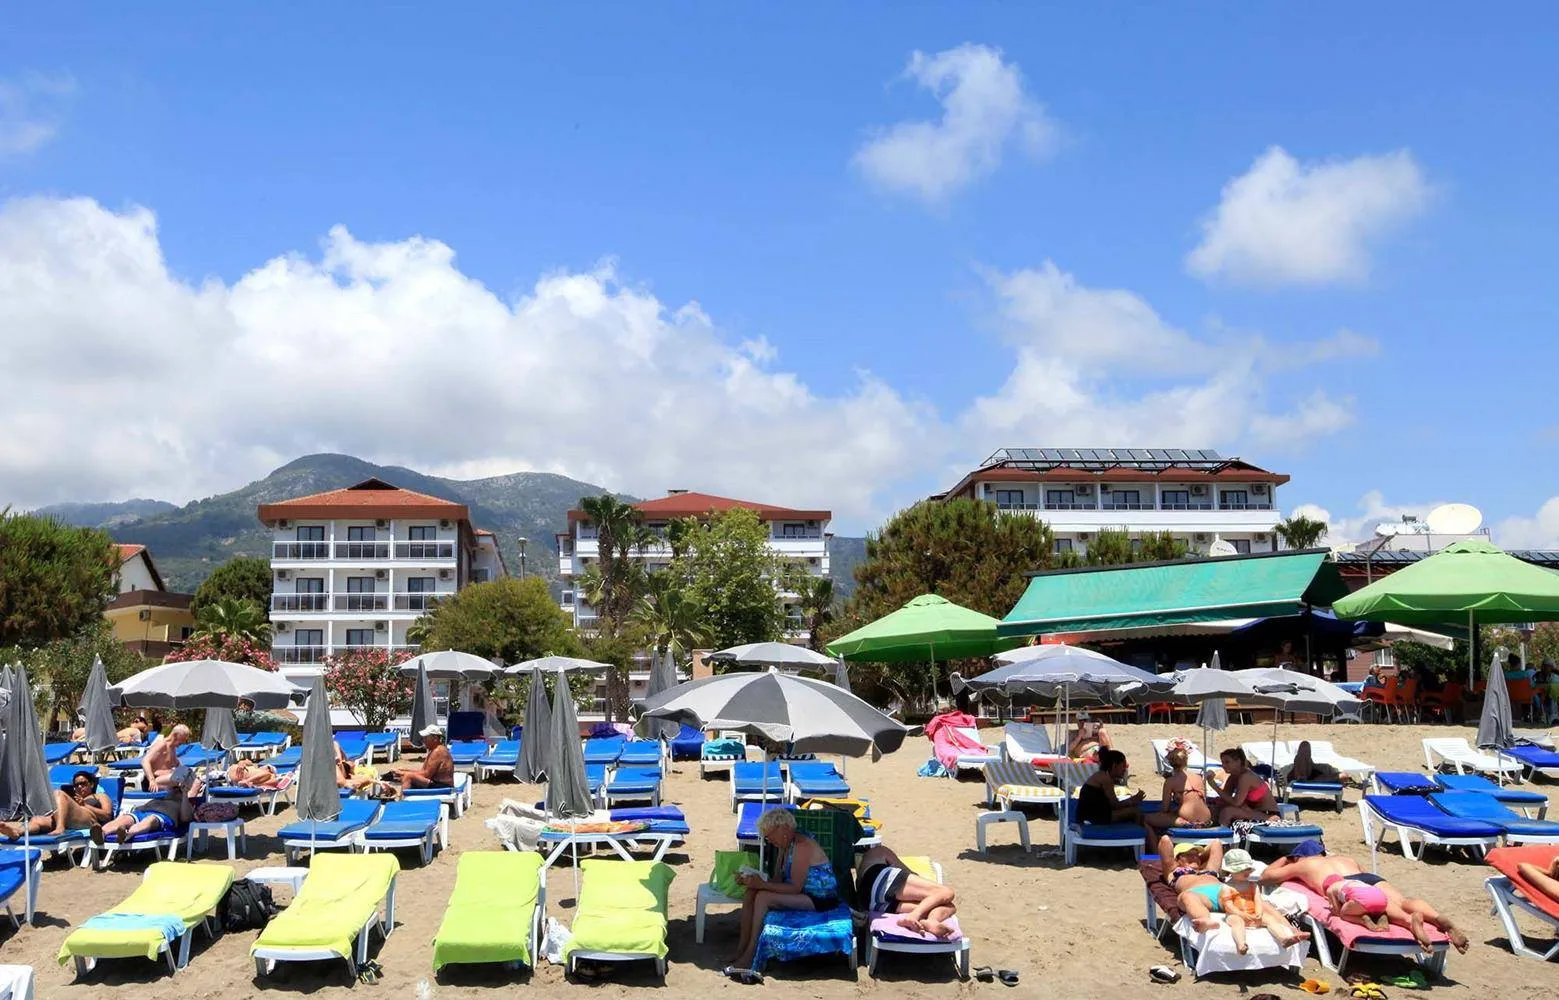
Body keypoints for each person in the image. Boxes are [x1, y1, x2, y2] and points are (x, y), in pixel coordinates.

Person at [1259, 840, 1469, 953]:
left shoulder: (1303, 864)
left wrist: (1286, 858)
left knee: (1382, 906)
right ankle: (1437, 917)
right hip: (1368, 878)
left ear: (1299, 856)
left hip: (1345, 884)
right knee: (1402, 901)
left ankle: (1408, 922)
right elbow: (1365, 878)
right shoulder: (1345, 858)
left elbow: (1266, 876)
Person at [727, 807, 840, 973]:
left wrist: (762, 885)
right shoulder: (786, 846)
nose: (769, 840)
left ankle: (750, 954)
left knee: (763, 897)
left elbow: (794, 887)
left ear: (783, 829)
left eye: (770, 835)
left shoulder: (802, 845)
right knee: (751, 892)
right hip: (803, 893)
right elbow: (778, 880)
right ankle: (741, 949)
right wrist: (752, 881)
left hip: (819, 898)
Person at [1216, 849, 1309, 954]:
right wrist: (1241, 914)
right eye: (1242, 869)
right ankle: (1241, 944)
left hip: (1253, 913)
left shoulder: (1252, 885)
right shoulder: (1227, 887)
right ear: (1231, 871)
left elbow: (1258, 900)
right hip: (1235, 914)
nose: (1246, 871)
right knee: (1237, 922)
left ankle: (1283, 939)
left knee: (1269, 919)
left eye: (1248, 869)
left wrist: (1259, 911)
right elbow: (1228, 906)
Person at [855, 844, 958, 938]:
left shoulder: (869, 859)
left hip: (869, 902)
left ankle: (931, 920)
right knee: (946, 892)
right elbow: (902, 868)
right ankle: (914, 915)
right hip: (878, 880)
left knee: (949, 906)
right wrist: (917, 877)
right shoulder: (879, 850)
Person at [95, 765, 200, 846]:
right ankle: (101, 833)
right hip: (145, 809)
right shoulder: (170, 789)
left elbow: (185, 817)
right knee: (124, 818)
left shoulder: (188, 797)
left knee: (150, 820)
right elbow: (157, 781)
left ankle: (126, 834)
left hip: (164, 816)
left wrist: (185, 791)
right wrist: (177, 778)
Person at [0, 769, 114, 839]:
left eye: (83, 783)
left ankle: (60, 827)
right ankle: (17, 832)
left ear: (91, 784)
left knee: (58, 793)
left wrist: (84, 805)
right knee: (37, 819)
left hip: (90, 820)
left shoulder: (100, 796)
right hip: (68, 820)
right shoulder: (73, 798)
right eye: (76, 785)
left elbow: (107, 815)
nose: (79, 787)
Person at [1159, 839, 1226, 933]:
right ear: (1177, 859)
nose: (1194, 857)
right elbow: (1165, 840)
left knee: (1236, 892)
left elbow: (1216, 843)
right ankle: (1205, 920)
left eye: (1196, 855)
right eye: (1188, 854)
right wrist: (1192, 860)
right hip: (1197, 895)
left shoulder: (1208, 869)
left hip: (1222, 891)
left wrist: (1198, 859)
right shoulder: (1172, 872)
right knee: (1186, 896)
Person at [1144, 744, 1213, 836]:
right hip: (1207, 820)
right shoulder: (1198, 777)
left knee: (1146, 819)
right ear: (1186, 761)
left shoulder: (1170, 781)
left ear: (1170, 763)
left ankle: (1154, 845)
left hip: (1187, 822)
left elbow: (1165, 808)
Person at [1207, 748, 1279, 825]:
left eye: (1227, 762)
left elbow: (1236, 802)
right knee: (1214, 809)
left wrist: (1214, 786)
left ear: (1238, 762)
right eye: (1222, 762)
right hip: (1252, 811)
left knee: (1227, 812)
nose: (1223, 766)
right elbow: (1225, 798)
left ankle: (1221, 832)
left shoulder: (1246, 777)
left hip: (1268, 814)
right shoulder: (1233, 777)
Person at [1078, 749, 1145, 825]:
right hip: (1094, 818)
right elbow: (1115, 805)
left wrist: (1131, 801)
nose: (1124, 770)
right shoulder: (1106, 779)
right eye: (1123, 766)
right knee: (1135, 811)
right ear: (1114, 765)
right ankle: (1139, 831)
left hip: (1088, 815)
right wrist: (1131, 801)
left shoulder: (1101, 775)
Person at [396, 725, 454, 790]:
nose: (423, 740)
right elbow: (423, 771)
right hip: (437, 783)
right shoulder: (434, 750)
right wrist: (404, 770)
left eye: (425, 738)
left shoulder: (438, 751)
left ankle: (403, 796)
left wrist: (403, 773)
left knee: (408, 777)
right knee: (405, 775)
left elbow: (426, 775)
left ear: (435, 738)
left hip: (443, 786)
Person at [141, 723, 191, 791]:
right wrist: (151, 780)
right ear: (175, 735)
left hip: (165, 779)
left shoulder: (172, 748)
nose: (184, 742)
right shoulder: (162, 744)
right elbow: (145, 761)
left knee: (190, 775)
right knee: (180, 777)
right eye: (183, 738)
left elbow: (178, 765)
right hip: (153, 781)